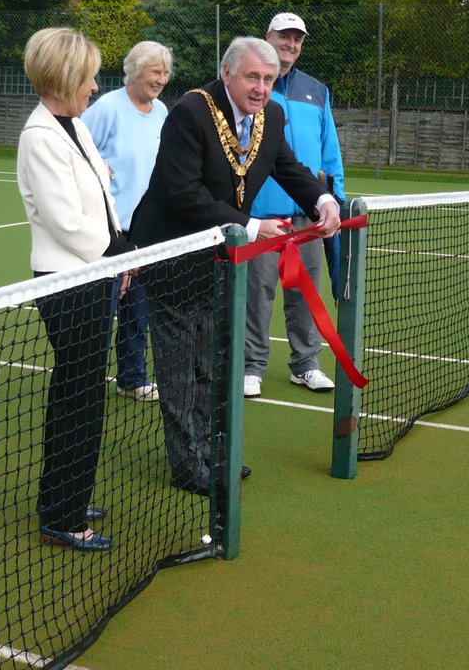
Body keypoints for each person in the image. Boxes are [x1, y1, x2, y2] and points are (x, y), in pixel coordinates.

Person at [130, 37, 341, 494]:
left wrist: (323, 199)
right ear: (227, 73)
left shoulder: (272, 114)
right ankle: (190, 466)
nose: (261, 87)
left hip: (218, 255)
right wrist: (251, 224)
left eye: (267, 79)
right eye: (252, 77)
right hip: (171, 253)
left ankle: (212, 454)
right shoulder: (190, 112)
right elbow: (182, 193)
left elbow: (287, 166)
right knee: (182, 364)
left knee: (212, 359)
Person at [17, 27, 134, 551]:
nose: (94, 85)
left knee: (81, 390)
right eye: (88, 75)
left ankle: (63, 495)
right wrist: (115, 258)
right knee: (79, 395)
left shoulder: (75, 126)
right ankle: (63, 517)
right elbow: (66, 221)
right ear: (67, 76)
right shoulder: (40, 136)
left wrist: (125, 251)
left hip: (95, 274)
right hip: (68, 283)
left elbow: (104, 203)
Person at [243, 13, 345, 399]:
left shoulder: (317, 91)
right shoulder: (253, 87)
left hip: (308, 218)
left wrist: (334, 199)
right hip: (263, 218)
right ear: (267, 37)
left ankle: (305, 365)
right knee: (257, 296)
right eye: (283, 37)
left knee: (307, 295)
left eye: (296, 39)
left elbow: (329, 151)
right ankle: (251, 367)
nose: (290, 44)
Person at [82, 41, 173, 403]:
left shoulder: (163, 110)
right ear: (135, 71)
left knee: (138, 307)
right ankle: (87, 378)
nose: (162, 79)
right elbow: (83, 156)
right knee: (102, 308)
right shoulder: (106, 108)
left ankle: (132, 377)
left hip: (147, 226)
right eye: (155, 72)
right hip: (110, 230)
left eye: (165, 73)